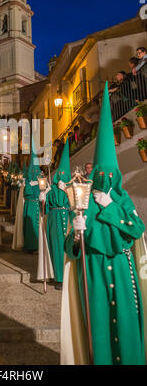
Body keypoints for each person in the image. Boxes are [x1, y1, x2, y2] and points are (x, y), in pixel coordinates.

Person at [61, 82, 147, 365]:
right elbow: (71, 248)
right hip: (93, 271)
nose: (106, 179)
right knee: (97, 329)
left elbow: (136, 229)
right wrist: (77, 232)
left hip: (123, 271)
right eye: (102, 173)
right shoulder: (82, 202)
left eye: (111, 174)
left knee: (125, 323)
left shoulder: (121, 201)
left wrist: (110, 206)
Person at [45, 140, 71, 290]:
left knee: (68, 248)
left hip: (68, 218)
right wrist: (44, 197)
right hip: (54, 219)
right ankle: (59, 277)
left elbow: (77, 203)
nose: (61, 176)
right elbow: (46, 205)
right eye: (59, 173)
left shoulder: (73, 186)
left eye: (63, 173)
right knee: (56, 247)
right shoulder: (52, 188)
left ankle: (70, 276)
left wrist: (67, 190)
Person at [22, 143, 41, 252]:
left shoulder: (40, 179)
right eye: (33, 171)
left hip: (38, 204)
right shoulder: (27, 181)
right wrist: (29, 184)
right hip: (30, 205)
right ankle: (30, 245)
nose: (35, 173)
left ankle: (38, 245)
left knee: (37, 226)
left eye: (36, 171)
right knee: (30, 226)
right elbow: (26, 193)